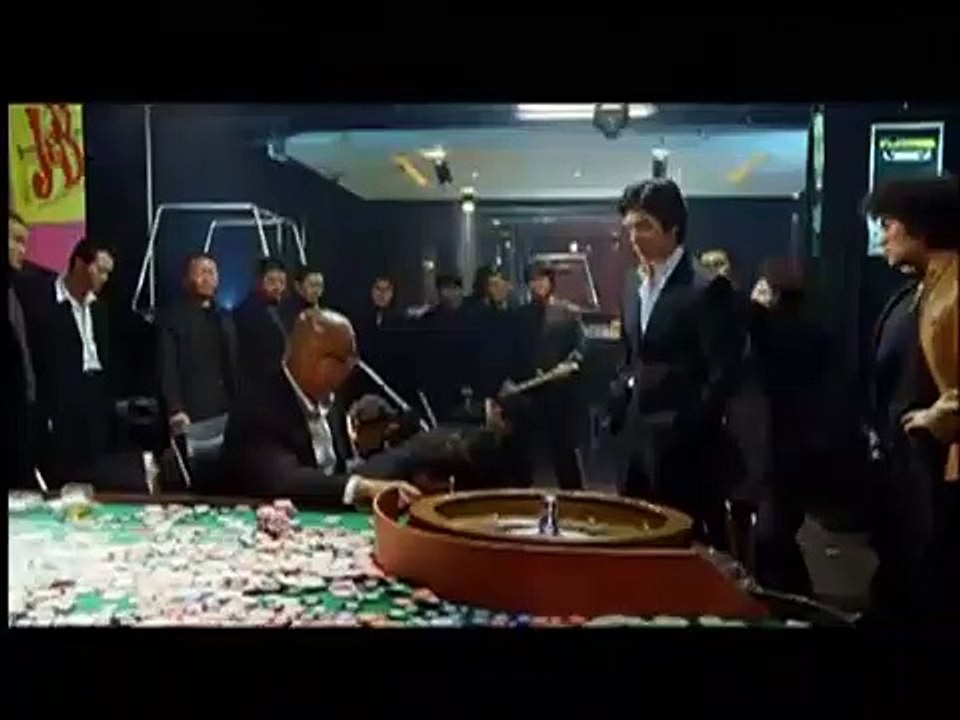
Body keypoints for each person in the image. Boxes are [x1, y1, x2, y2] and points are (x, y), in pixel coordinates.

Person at [611, 179, 744, 545]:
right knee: (632, 543)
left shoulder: (706, 288)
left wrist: (688, 424)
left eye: (644, 227)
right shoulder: (631, 285)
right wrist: (619, 405)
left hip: (684, 451)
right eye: (629, 228)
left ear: (673, 228)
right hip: (633, 442)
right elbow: (630, 355)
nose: (634, 238)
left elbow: (723, 373)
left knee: (682, 547)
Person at [862, 176, 960, 619]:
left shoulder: (952, 289)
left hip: (939, 479)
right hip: (905, 477)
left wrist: (944, 415)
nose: (883, 236)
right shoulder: (915, 292)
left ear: (921, 225)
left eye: (888, 223)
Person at [219, 307, 420, 507]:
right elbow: (285, 481)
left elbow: (342, 468)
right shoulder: (257, 409)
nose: (350, 370)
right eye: (345, 360)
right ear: (314, 358)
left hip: (333, 507)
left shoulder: (330, 399)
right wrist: (362, 488)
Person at [747, 257, 845, 596]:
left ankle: (787, 599)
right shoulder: (820, 334)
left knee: (771, 535)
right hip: (804, 447)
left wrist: (755, 310)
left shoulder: (766, 331)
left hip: (773, 445)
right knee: (783, 529)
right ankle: (796, 595)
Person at [17, 237, 116, 489]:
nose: (104, 278)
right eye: (100, 270)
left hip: (93, 396)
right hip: (58, 401)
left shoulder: (100, 308)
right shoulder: (42, 300)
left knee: (94, 475)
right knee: (60, 476)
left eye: (108, 273)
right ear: (80, 264)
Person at [515, 261, 586, 490]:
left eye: (542, 279)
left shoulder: (568, 312)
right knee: (523, 458)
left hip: (560, 394)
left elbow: (580, 348)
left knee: (564, 454)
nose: (538, 284)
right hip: (528, 395)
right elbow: (513, 351)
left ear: (551, 281)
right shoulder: (520, 315)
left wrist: (569, 364)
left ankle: (576, 500)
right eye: (533, 280)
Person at [157, 253, 238, 437]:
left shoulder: (224, 317)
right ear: (187, 278)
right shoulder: (172, 318)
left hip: (225, 409)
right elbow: (167, 367)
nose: (207, 278)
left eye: (212, 273)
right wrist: (175, 408)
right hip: (191, 412)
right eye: (202, 272)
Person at [7, 210, 38, 490]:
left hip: (20, 414)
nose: (22, 251)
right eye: (16, 240)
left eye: (24, 242)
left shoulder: (15, 291)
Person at [464, 265, 523, 400]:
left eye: (501, 284)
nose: (498, 289)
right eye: (493, 285)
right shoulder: (475, 316)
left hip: (511, 387)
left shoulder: (516, 316)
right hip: (483, 387)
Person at [417, 272, 471, 421]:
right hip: (438, 390)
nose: (452, 294)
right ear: (439, 292)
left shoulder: (471, 318)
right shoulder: (427, 321)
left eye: (455, 288)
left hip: (468, 390)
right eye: (447, 289)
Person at [233, 257, 289, 390]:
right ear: (259, 282)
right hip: (257, 388)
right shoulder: (246, 311)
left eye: (282, 282)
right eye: (271, 281)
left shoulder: (283, 310)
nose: (277, 287)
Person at [280, 265, 325, 331]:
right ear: (298, 286)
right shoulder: (287, 312)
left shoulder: (322, 312)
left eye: (320, 285)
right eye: (312, 285)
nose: (316, 291)